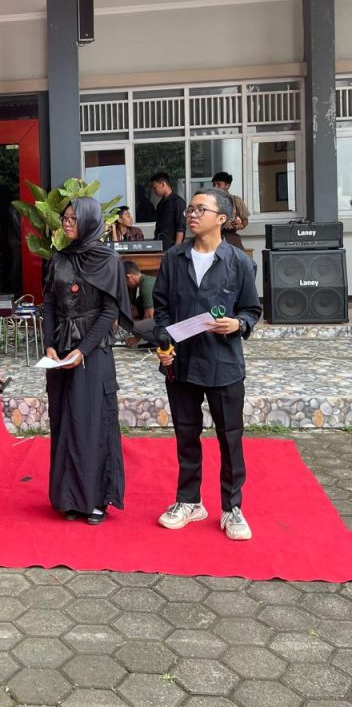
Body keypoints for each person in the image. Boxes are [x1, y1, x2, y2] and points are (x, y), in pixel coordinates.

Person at [153, 188, 262, 541]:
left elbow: (251, 309)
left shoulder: (239, 262)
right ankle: (189, 501)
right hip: (181, 362)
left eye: (201, 209)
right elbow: (161, 309)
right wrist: (163, 345)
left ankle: (232, 507)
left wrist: (238, 324)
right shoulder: (173, 258)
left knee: (230, 438)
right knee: (186, 435)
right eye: (191, 209)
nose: (192, 214)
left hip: (223, 362)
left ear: (222, 218)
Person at [43, 197, 133, 525]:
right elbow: (49, 302)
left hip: (93, 351)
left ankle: (96, 500)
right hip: (60, 347)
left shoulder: (108, 259)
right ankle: (68, 497)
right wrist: (49, 345)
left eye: (73, 218)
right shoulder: (59, 258)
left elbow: (110, 311)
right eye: (65, 218)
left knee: (92, 422)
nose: (67, 223)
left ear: (89, 221)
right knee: (64, 420)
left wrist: (83, 349)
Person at [212, 171, 250, 250]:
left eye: (218, 184)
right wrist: (221, 224)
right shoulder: (209, 201)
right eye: (214, 184)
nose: (215, 187)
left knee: (237, 255)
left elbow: (245, 221)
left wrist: (238, 226)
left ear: (227, 186)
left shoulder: (236, 200)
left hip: (230, 237)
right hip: (213, 237)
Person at [150, 172, 186, 251]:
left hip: (171, 247)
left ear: (163, 184)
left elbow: (181, 228)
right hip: (159, 246)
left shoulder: (178, 202)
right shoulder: (160, 205)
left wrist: (176, 249)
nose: (154, 191)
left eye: (155, 188)